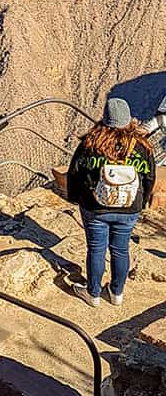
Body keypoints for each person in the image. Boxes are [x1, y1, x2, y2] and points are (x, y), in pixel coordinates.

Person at [66, 96, 156, 309]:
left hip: (96, 207)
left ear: (105, 119)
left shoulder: (91, 143)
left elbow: (75, 174)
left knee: (96, 249)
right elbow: (149, 177)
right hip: (129, 207)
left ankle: (93, 294)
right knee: (121, 249)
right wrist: (142, 201)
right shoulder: (141, 147)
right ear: (129, 120)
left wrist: (76, 197)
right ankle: (117, 293)